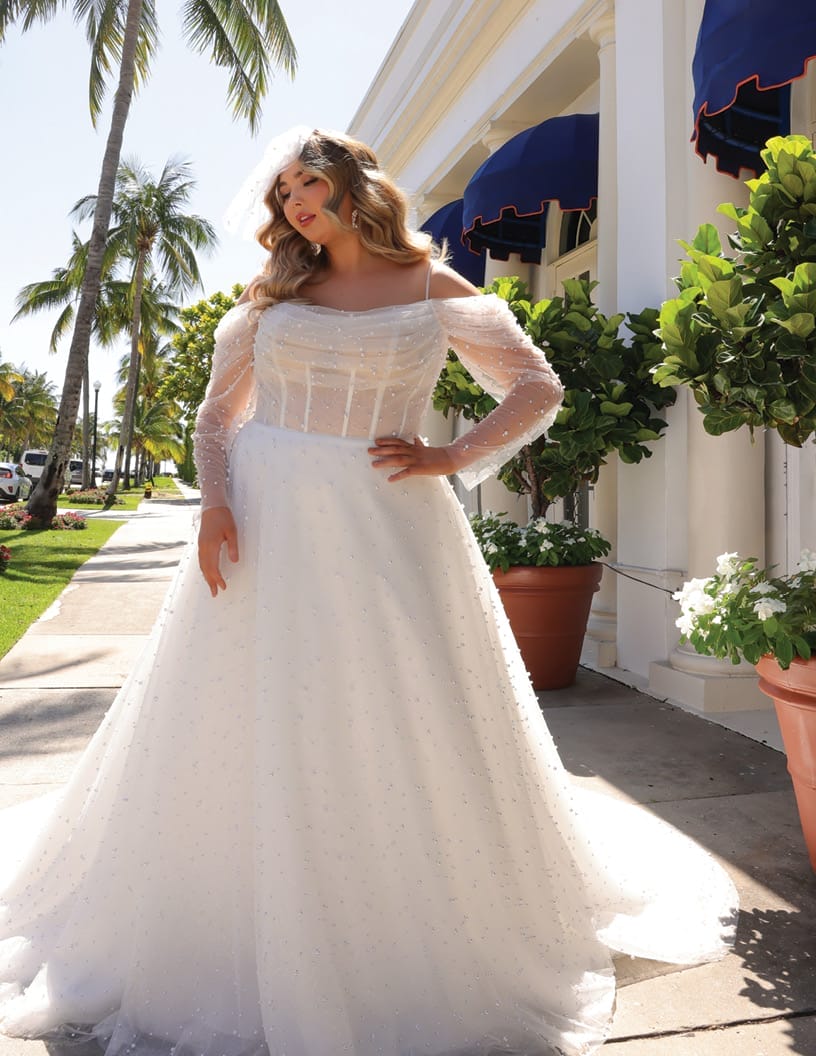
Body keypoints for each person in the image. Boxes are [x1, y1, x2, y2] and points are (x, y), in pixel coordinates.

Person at [0, 127, 737, 1056]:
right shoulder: (275, 295)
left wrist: (452, 455)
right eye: (284, 197)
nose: (296, 206)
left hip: (387, 522)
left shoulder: (434, 286)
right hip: (266, 519)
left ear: (353, 185)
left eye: (308, 186)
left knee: (395, 701)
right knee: (244, 705)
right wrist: (216, 507)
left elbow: (535, 387)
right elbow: (217, 414)